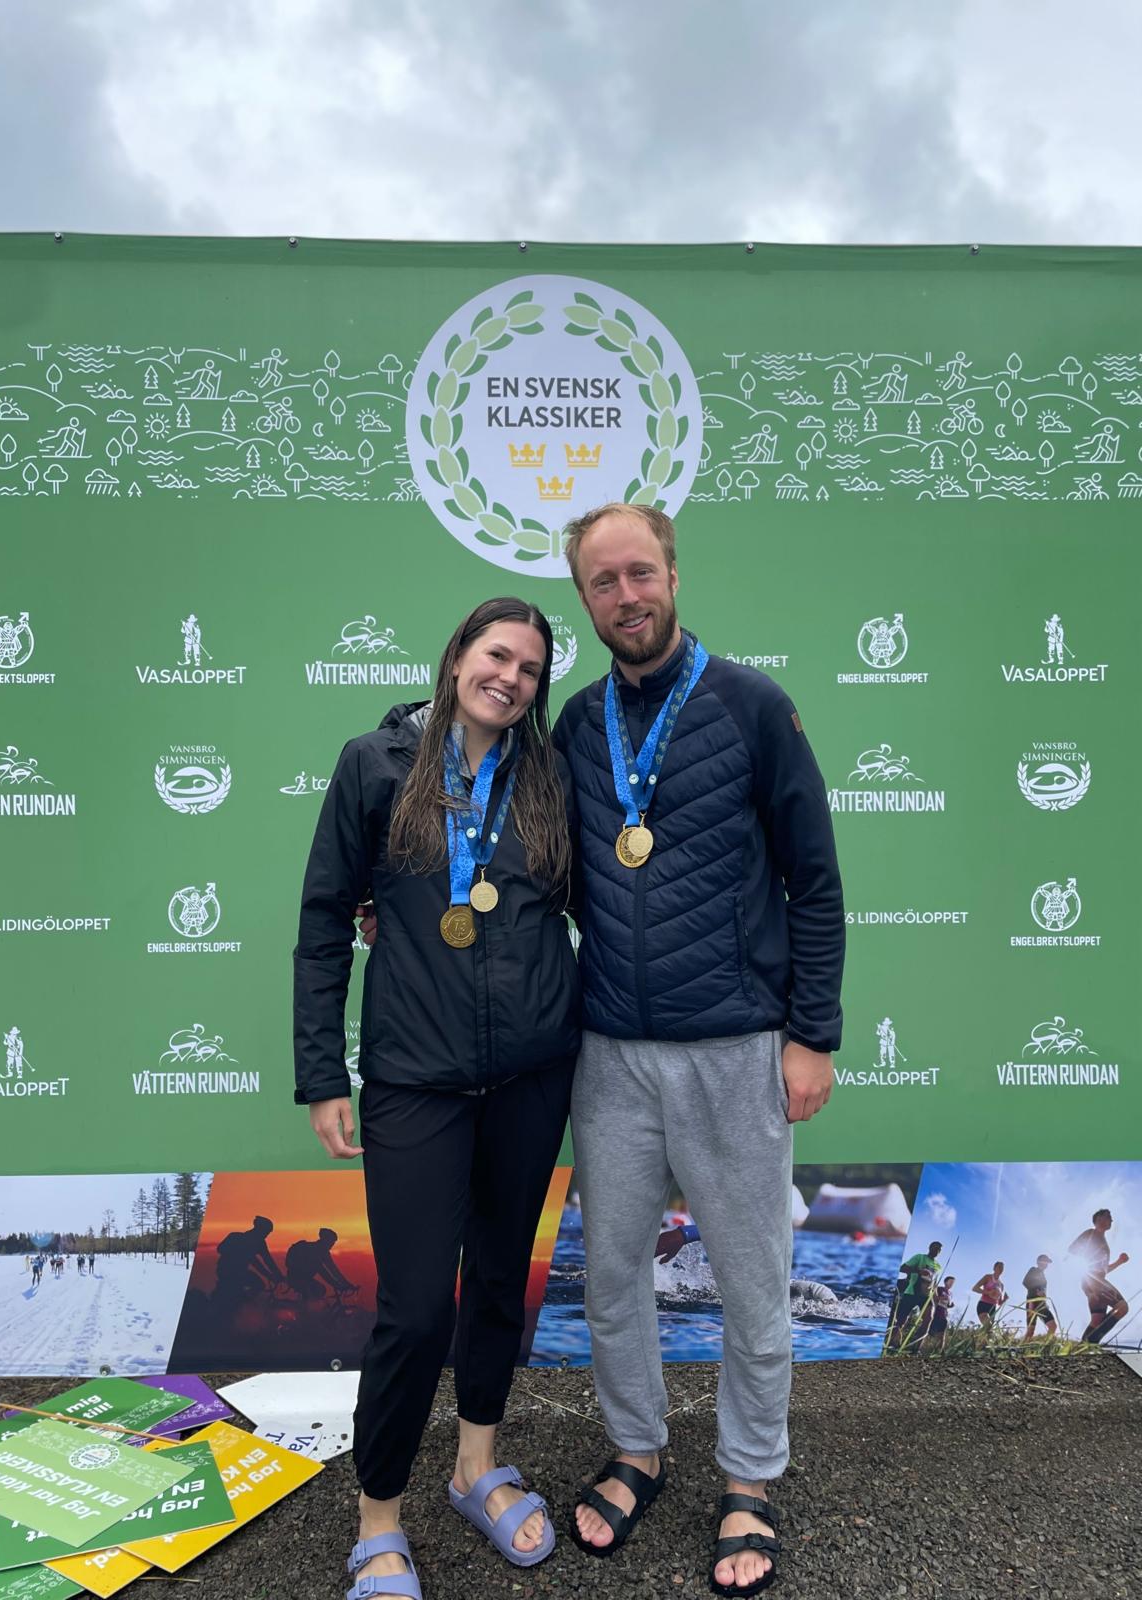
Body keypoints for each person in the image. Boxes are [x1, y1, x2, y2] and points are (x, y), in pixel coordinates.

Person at [553, 504, 844, 1600]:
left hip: (735, 1046)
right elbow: (533, 861)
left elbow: (815, 882)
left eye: (640, 572)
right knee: (612, 1279)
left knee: (753, 1285)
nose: (625, 596)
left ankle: (748, 1477)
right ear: (585, 599)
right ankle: (638, 1451)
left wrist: (811, 1034)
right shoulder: (576, 723)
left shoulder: (754, 705)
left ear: (673, 575)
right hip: (611, 1053)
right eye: (603, 582)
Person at [295, 598, 580, 1600]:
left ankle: (475, 1466)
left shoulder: (547, 776)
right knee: (416, 1310)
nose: (510, 678)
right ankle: (378, 1520)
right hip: (416, 1079)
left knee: (499, 1280)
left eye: (531, 669)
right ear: (458, 656)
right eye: (497, 655)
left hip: (532, 1075)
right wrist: (321, 1072)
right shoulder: (374, 766)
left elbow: (587, 902)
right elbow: (325, 919)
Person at [1069, 1209, 1130, 1344]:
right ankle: (1090, 1344)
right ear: (1098, 1219)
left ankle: (1082, 1348)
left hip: (1094, 1280)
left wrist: (1119, 1262)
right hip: (1093, 1280)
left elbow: (1104, 1269)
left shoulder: (1104, 1243)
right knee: (1122, 1308)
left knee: (1097, 1320)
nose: (1111, 1220)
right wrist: (1087, 1255)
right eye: (1108, 1217)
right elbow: (1072, 1249)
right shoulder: (1091, 1233)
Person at [214, 1216, 284, 1306]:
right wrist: (238, 1253)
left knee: (258, 1285)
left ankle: (242, 1302)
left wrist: (278, 1275)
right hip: (227, 1271)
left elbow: (268, 1260)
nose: (266, 1235)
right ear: (259, 1229)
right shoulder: (235, 1237)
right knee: (258, 1285)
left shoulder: (260, 1243)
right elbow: (220, 1249)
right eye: (265, 1232)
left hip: (239, 1272)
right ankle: (241, 1303)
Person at [285, 1227, 359, 1302]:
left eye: (333, 1242)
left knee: (318, 1292)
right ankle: (307, 1308)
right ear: (326, 1240)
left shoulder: (322, 1251)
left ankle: (306, 1306)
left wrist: (347, 1284)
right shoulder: (316, 1251)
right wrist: (337, 1285)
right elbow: (323, 1271)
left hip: (298, 1277)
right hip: (297, 1278)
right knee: (319, 1290)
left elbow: (334, 1270)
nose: (332, 1244)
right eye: (331, 1242)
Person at [891, 1241, 943, 1347]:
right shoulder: (919, 1257)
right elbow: (902, 1268)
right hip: (912, 1292)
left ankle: (915, 1347)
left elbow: (934, 1282)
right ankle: (893, 1342)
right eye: (934, 1247)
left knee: (928, 1318)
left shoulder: (938, 1266)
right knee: (901, 1320)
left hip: (927, 1296)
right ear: (929, 1247)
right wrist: (919, 1271)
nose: (936, 1250)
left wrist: (936, 1296)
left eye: (939, 1249)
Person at [1023, 1255, 1058, 1340]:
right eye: (1044, 1261)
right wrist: (1037, 1291)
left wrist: (1044, 1300)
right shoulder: (1033, 1270)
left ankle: (1045, 1346)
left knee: (1053, 1326)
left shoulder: (1043, 1276)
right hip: (1032, 1302)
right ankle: (1021, 1347)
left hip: (1042, 1305)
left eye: (1047, 1262)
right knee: (1030, 1331)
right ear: (1039, 1262)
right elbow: (1025, 1282)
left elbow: (1043, 1291)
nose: (1046, 1264)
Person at [972, 1262, 1007, 1327]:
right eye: (999, 1267)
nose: (1001, 1269)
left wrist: (1004, 1299)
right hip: (983, 1305)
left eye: (1002, 1268)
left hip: (993, 1308)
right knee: (988, 1326)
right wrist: (988, 1292)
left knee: (989, 1331)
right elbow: (975, 1288)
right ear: (994, 1268)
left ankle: (977, 1334)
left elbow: (999, 1303)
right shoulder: (987, 1277)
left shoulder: (1001, 1285)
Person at [927, 1276, 956, 1346]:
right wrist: (941, 1298)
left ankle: (939, 1351)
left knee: (942, 1336)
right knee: (930, 1334)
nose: (951, 1284)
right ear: (945, 1282)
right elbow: (934, 1298)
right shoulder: (939, 1289)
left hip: (944, 1316)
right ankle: (922, 1349)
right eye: (950, 1282)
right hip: (936, 1314)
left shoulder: (950, 1294)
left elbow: (946, 1304)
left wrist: (950, 1306)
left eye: (953, 1283)